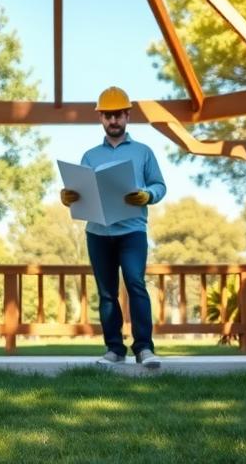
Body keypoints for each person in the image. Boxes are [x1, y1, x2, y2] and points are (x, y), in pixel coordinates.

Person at [60, 86, 166, 368]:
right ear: (101, 119)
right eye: (107, 115)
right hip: (98, 233)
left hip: (132, 231)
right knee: (106, 293)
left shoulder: (144, 152)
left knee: (136, 285)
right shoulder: (90, 155)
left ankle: (144, 349)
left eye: (117, 115)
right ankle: (114, 350)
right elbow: (80, 188)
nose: (113, 120)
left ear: (127, 115)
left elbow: (159, 185)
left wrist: (148, 195)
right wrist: (68, 196)